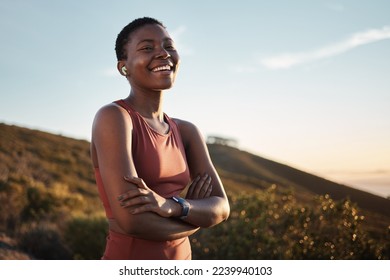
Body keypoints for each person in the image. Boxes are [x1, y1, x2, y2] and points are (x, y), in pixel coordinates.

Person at [90, 17, 230, 260]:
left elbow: (221, 207)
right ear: (124, 67)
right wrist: (196, 220)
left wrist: (174, 206)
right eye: (147, 48)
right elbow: (133, 222)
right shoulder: (114, 117)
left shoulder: (187, 131)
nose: (163, 54)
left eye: (169, 46)